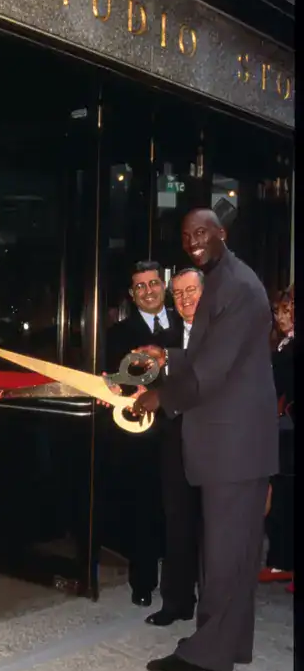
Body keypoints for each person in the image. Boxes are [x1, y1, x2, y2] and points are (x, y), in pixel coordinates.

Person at [132, 206, 278, 671]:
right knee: (233, 553)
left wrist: (158, 397)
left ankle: (207, 652)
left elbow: (212, 370)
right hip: (234, 443)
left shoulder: (235, 285)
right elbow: (204, 352)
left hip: (233, 445)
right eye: (186, 234)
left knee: (222, 555)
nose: (193, 240)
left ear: (221, 233)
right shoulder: (225, 279)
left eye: (202, 232)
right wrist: (168, 354)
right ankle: (229, 644)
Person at [99, 261, 183, 607]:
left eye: (153, 283)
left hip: (184, 430)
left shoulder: (186, 323)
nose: (148, 291)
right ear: (133, 296)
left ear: (162, 286)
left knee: (182, 514)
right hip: (141, 437)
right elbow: (112, 381)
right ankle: (143, 585)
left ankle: (180, 588)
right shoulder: (118, 334)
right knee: (144, 512)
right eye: (140, 287)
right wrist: (111, 389)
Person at [146, 267, 204, 627]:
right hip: (173, 444)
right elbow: (145, 387)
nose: (184, 299)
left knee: (213, 530)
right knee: (177, 524)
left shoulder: (219, 336)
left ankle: (213, 611)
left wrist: (162, 397)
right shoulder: (164, 338)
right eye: (178, 293)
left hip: (213, 444)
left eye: (191, 291)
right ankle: (177, 602)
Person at [259, 285, 294, 585]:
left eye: (287, 311)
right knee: (280, 495)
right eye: (278, 311)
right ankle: (280, 560)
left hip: (288, 430)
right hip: (279, 429)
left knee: (283, 496)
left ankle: (282, 561)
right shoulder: (280, 344)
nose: (282, 317)